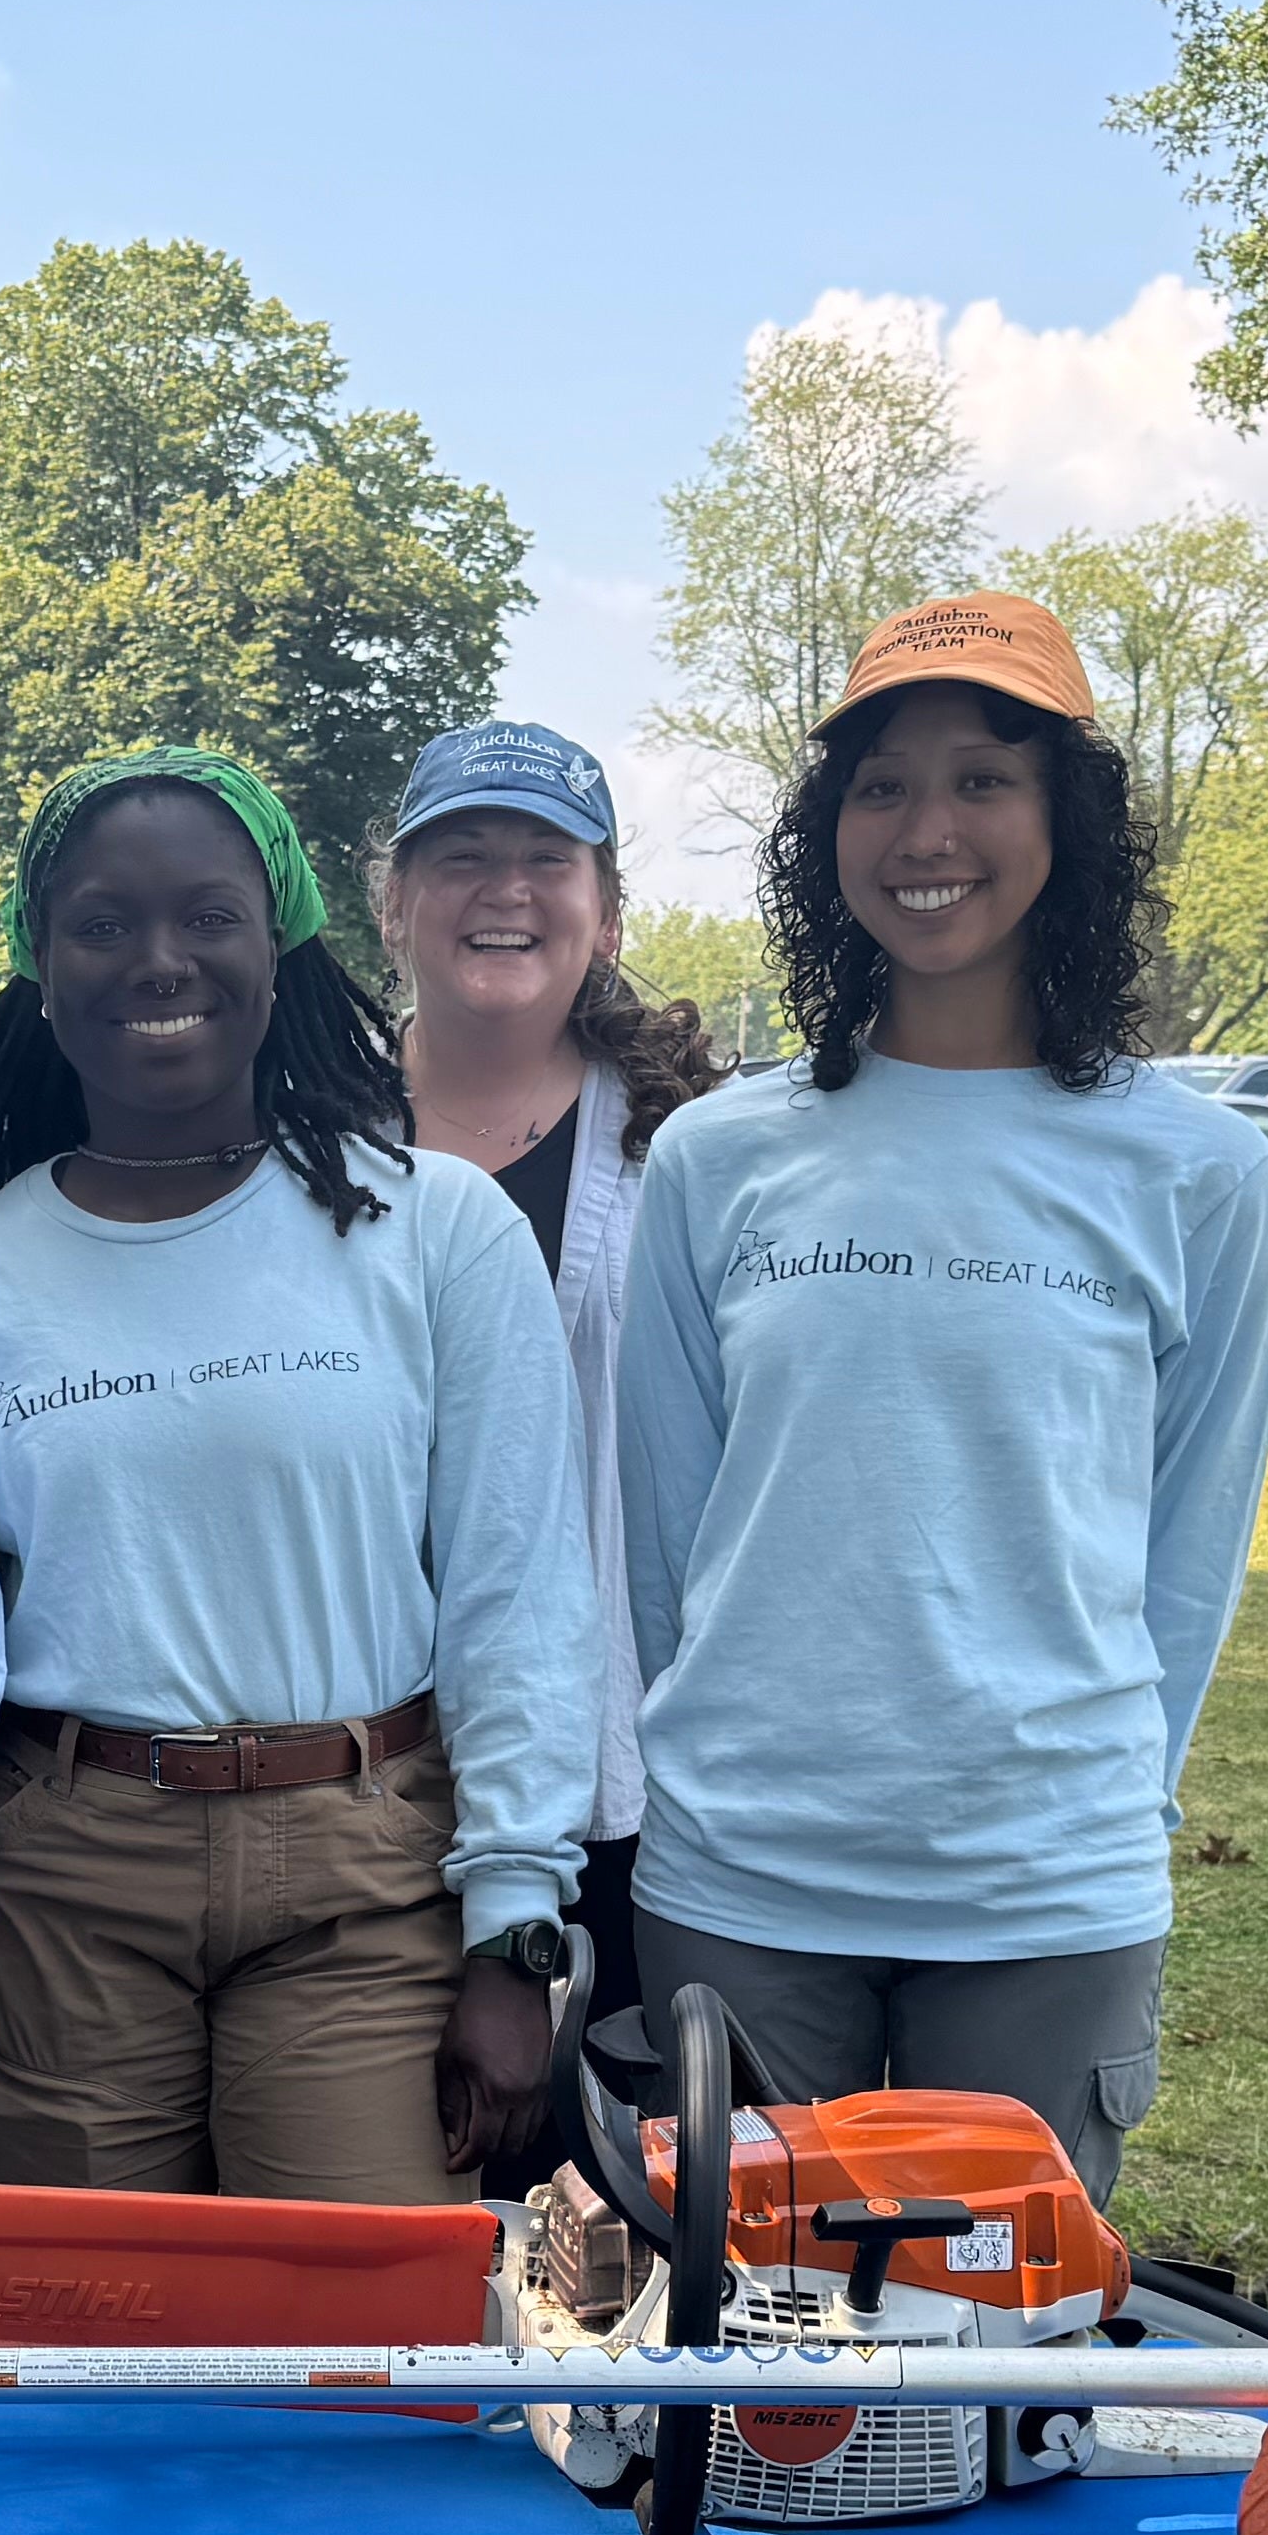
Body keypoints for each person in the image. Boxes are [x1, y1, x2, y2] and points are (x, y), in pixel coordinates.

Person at [616, 597, 1268, 2201]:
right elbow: (665, 1534)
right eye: (883, 787)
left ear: (1070, 821)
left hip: (1042, 1892)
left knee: (1001, 2340)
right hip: (744, 1879)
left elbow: (1191, 1546)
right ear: (828, 834)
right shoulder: (718, 1157)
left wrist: (1105, 1803)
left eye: (984, 779)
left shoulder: (1197, 1170)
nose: (929, 833)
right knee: (752, 2347)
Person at [0, 749, 591, 2203]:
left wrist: (515, 1925)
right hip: (57, 1883)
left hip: (367, 1871)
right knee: (86, 2316)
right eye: (102, 924)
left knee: (356, 2317)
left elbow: (518, 1593)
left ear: (280, 945)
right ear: (38, 966)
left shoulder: (436, 1229)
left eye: (209, 917)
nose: (159, 960)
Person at [377, 718, 726, 2034]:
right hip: (367, 1751)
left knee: (613, 2131)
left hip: (620, 1751)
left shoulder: (687, 1149)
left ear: (608, 910)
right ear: (397, 902)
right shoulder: (304, 1133)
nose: (506, 890)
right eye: (463, 856)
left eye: (546, 858)